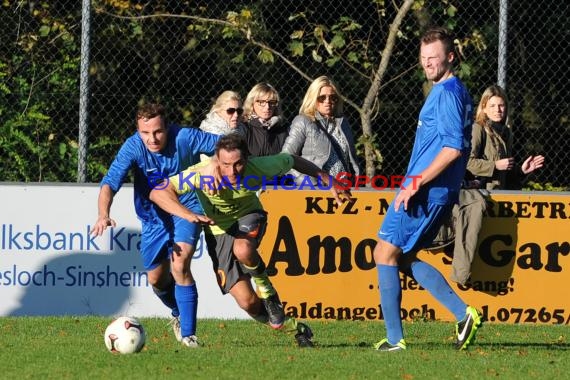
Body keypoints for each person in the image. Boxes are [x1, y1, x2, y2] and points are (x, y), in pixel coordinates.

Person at [149, 133, 350, 347]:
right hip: (218, 231)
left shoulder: (259, 167)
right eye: (225, 164)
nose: (232, 171)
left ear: (247, 159)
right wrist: (187, 214)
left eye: (238, 164)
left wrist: (330, 182)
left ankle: (268, 291)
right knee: (248, 302)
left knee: (243, 249)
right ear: (217, 159)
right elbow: (158, 192)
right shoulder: (201, 175)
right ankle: (296, 328)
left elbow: (293, 160)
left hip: (250, 216)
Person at [372, 27, 481, 352]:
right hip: (435, 191)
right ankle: (464, 315)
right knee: (402, 257)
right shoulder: (455, 91)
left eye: (433, 58)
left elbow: (452, 148)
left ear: (450, 57)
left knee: (384, 252)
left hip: (425, 191)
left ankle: (396, 340)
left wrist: (416, 182)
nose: (427, 64)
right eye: (423, 59)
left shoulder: (447, 93)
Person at [91, 103, 220, 348]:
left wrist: (214, 163)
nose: (152, 139)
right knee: (156, 279)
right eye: (145, 133)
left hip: (187, 209)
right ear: (138, 130)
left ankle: (189, 336)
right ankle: (177, 312)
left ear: (167, 126)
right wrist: (102, 214)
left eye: (158, 132)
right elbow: (110, 182)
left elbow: (228, 145)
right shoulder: (133, 146)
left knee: (180, 264)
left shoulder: (185, 137)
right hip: (153, 219)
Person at [281, 75, 361, 185]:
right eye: (322, 97)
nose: (327, 101)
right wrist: (308, 183)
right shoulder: (303, 121)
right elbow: (285, 158)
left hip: (343, 187)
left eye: (332, 97)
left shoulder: (343, 123)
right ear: (313, 98)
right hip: (316, 189)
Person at [466, 84, 545, 190]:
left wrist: (521, 170)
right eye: (492, 106)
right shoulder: (478, 129)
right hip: (481, 196)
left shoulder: (506, 132)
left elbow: (505, 169)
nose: (497, 110)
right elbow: (467, 162)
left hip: (501, 193)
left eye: (501, 105)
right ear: (484, 108)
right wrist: (494, 165)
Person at [242, 82, 289, 157]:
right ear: (252, 103)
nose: (267, 107)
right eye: (261, 102)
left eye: (272, 102)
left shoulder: (284, 129)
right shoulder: (243, 127)